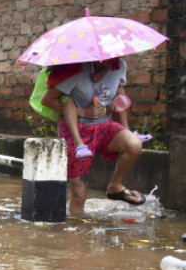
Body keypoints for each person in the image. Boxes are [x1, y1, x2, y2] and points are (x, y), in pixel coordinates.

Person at [41, 57, 145, 214]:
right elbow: (47, 100)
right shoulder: (74, 70)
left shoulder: (119, 66)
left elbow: (119, 92)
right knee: (79, 195)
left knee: (134, 144)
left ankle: (115, 186)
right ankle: (76, 233)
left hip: (105, 126)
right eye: (103, 61)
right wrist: (83, 112)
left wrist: (124, 125)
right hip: (76, 130)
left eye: (111, 60)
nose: (107, 64)